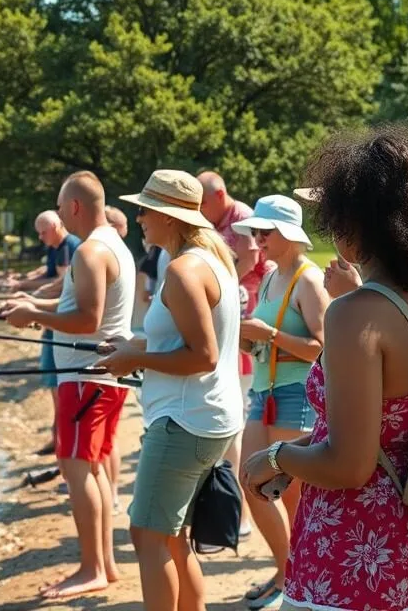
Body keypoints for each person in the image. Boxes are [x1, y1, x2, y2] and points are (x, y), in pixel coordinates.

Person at [241, 126, 408, 611]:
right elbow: (386, 429)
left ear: (359, 221)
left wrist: (274, 459)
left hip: (350, 561)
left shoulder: (355, 313)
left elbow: (349, 467)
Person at [96, 169, 244, 611]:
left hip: (185, 422)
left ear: (170, 217)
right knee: (173, 533)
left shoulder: (183, 270)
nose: (138, 217)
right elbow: (183, 340)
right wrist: (134, 345)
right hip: (202, 419)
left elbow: (203, 355)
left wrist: (135, 360)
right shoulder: (206, 259)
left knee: (147, 535)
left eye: (146, 210)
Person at [1, 172, 136, 599]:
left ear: (75, 206)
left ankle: (91, 568)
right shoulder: (114, 244)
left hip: (85, 380)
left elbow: (87, 321)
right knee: (92, 469)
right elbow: (73, 304)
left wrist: (35, 318)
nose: (59, 213)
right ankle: (106, 565)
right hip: (99, 379)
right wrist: (32, 304)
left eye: (60, 206)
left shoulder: (91, 251)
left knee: (78, 471)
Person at [231, 195, 330, 611]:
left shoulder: (308, 279)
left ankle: (302, 580)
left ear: (288, 235)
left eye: (264, 231)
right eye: (253, 231)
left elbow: (324, 348)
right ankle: (287, 570)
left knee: (293, 495)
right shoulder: (271, 276)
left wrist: (267, 336)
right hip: (264, 390)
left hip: (297, 395)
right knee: (250, 480)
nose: (256, 239)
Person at [197, 170, 271, 539]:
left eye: (204, 201)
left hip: (248, 322)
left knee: (237, 420)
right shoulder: (215, 222)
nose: (201, 209)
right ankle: (235, 505)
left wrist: (219, 285)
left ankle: (239, 510)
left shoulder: (240, 217)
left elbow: (248, 261)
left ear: (221, 194)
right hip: (237, 322)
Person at [7, 211, 81, 455]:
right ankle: (59, 438)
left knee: (58, 384)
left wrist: (33, 302)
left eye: (43, 232)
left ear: (57, 225)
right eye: (38, 233)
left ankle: (60, 441)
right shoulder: (58, 247)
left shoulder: (70, 246)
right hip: (50, 320)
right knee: (53, 383)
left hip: (56, 324)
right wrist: (26, 286)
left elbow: (62, 287)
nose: (40, 237)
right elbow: (49, 276)